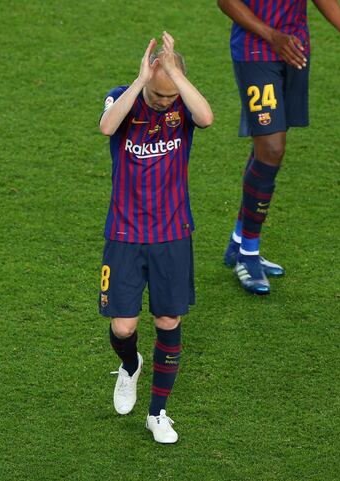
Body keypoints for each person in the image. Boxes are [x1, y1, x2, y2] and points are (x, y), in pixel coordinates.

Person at [98, 31, 213, 443]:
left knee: (168, 319)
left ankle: (157, 412)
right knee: (124, 328)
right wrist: (141, 80)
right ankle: (129, 366)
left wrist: (175, 76)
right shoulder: (123, 97)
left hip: (171, 234)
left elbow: (207, 117)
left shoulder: (182, 106)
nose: (165, 103)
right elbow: (107, 125)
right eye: (158, 95)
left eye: (170, 97)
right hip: (125, 234)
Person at [217, 0, 340, 295]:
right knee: (272, 147)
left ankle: (238, 242)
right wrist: (272, 35)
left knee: (267, 146)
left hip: (295, 50)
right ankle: (248, 253)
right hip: (256, 51)